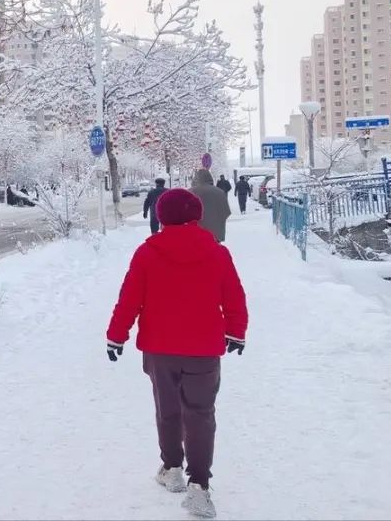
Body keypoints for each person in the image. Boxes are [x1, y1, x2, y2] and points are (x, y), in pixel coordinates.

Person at [106, 188, 248, 519]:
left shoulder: (147, 253)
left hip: (160, 350)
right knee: (200, 414)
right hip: (203, 350)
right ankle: (199, 486)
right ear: (196, 215)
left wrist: (117, 336)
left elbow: (129, 299)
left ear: (162, 216)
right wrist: (236, 331)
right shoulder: (216, 252)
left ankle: (171, 469)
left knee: (167, 409)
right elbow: (234, 296)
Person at [189, 169, 231, 243]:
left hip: (196, 234)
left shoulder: (191, 192)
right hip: (216, 234)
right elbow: (226, 212)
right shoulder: (220, 192)